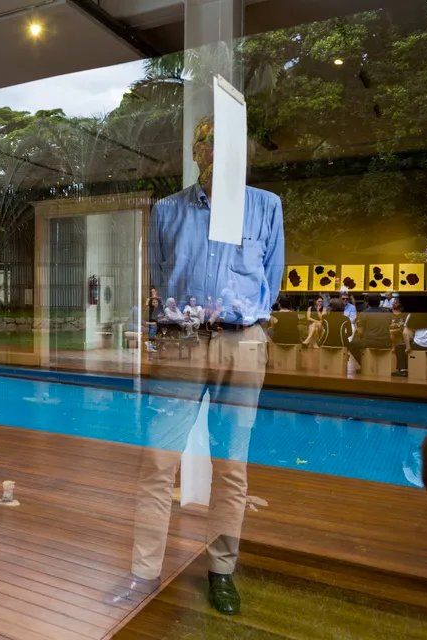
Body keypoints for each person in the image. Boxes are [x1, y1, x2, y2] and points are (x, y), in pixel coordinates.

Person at [117, 116, 285, 616]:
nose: (214, 151)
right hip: (181, 343)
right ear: (196, 149)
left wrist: (238, 321)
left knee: (232, 465)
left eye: (226, 144)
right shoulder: (167, 211)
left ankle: (222, 572)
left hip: (242, 344)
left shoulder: (266, 207)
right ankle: (142, 572)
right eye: (206, 142)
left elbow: (270, 282)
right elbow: (160, 276)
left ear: (244, 152)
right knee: (157, 461)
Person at [348, 294, 400, 374]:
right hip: (386, 343)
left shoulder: (363, 314)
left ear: (368, 302)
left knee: (351, 344)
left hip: (370, 342)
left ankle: (364, 364)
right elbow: (390, 327)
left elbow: (360, 332)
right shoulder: (387, 313)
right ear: (379, 302)